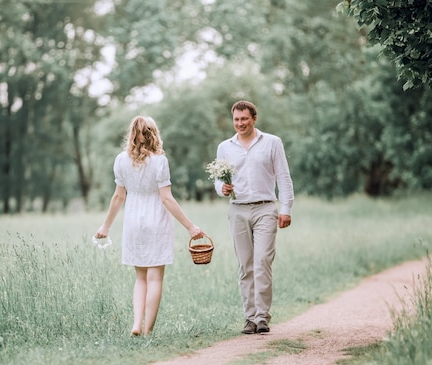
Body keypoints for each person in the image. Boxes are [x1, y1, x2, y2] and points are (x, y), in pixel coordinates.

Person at [95, 115, 205, 336]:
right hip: (157, 220)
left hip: (133, 221)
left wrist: (105, 227)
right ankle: (147, 331)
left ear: (132, 134)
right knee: (155, 277)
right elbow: (166, 199)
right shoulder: (159, 161)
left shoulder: (120, 160)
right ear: (154, 134)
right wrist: (191, 227)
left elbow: (118, 197)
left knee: (140, 277)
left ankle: (136, 323)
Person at [214, 100, 294, 334]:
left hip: (265, 209)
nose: (240, 123)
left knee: (262, 263)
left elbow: (283, 176)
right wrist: (222, 189)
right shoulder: (225, 147)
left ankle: (262, 318)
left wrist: (286, 208)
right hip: (237, 209)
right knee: (245, 266)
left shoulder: (271, 142)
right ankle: (249, 318)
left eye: (244, 119)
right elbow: (219, 179)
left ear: (254, 118)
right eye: (236, 120)